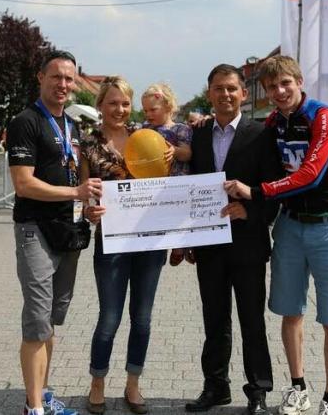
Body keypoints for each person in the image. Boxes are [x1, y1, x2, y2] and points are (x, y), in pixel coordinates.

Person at [224, 55, 328, 415]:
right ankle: (298, 388)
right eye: (272, 87)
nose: (280, 91)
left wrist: (256, 193)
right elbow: (247, 153)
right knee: (290, 311)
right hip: (291, 225)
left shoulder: (323, 116)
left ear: (299, 82)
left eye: (285, 83)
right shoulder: (272, 123)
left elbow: (311, 174)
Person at [182, 65, 283, 415]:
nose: (224, 94)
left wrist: (250, 211)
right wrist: (187, 237)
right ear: (209, 93)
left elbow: (274, 188)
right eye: (218, 88)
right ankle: (215, 387)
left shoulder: (262, 134)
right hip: (209, 244)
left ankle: (258, 391)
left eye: (230, 88)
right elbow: (186, 186)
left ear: (242, 92)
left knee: (252, 321)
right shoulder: (198, 134)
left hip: (248, 243)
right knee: (214, 320)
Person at [7, 50, 102, 415]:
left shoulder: (72, 125)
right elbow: (23, 183)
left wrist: (87, 205)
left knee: (49, 322)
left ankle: (43, 396)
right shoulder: (25, 122)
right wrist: (75, 192)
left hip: (68, 230)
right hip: (35, 229)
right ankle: (34, 409)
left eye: (69, 79)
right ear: (41, 77)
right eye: (56, 77)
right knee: (36, 321)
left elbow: (76, 175)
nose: (63, 84)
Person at [79, 76, 164, 415]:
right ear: (100, 104)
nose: (119, 109)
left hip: (149, 241)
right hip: (111, 241)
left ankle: (133, 383)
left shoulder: (147, 136)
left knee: (142, 318)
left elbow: (171, 169)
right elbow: (85, 193)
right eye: (113, 102)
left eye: (125, 103)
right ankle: (97, 382)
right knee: (109, 318)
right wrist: (89, 211)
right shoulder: (88, 143)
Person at [140, 83, 192, 266]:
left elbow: (187, 153)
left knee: (178, 216)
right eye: (145, 110)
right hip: (154, 183)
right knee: (159, 216)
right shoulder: (145, 129)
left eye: (153, 109)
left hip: (175, 180)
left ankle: (181, 247)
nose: (148, 114)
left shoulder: (180, 129)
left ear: (168, 107)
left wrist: (175, 151)